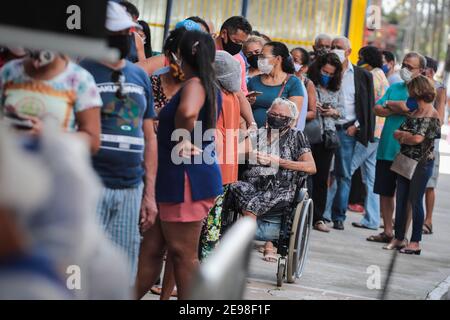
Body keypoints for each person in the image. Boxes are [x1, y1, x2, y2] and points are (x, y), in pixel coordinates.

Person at [136, 30, 223, 300]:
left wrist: (182, 137)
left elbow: (187, 112)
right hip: (173, 177)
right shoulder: (204, 84)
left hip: (185, 179)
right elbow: (179, 112)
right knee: (151, 250)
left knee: (183, 255)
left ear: (181, 55)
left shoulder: (195, 84)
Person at [79, 1, 158, 285]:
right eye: (120, 32)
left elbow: (149, 138)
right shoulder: (82, 72)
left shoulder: (139, 76)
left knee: (122, 269)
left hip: (130, 188)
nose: (127, 37)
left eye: (129, 31)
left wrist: (148, 194)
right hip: (91, 183)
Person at [226, 98, 316, 261]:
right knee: (235, 188)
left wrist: (278, 161)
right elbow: (234, 153)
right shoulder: (259, 134)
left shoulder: (296, 137)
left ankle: (244, 253)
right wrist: (251, 154)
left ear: (291, 121)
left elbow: (311, 167)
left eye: (281, 116)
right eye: (273, 114)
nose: (276, 117)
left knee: (252, 202)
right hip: (251, 186)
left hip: (281, 189)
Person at [136, 26, 187, 300]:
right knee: (149, 242)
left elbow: (199, 135)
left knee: (177, 247)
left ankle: (167, 296)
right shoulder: (151, 82)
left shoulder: (198, 88)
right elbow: (141, 120)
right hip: (147, 163)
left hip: (179, 171)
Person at [368, 52, 426, 244]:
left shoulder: (423, 92)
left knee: (406, 195)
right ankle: (388, 231)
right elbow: (377, 108)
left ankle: (401, 235)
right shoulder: (395, 87)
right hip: (387, 147)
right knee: (385, 191)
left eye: (410, 67)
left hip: (408, 151)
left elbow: (413, 109)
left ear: (421, 70)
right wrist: (397, 106)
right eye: (404, 65)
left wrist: (392, 106)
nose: (405, 70)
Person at [0, 51, 102, 153]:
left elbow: (93, 142)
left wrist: (49, 134)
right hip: (10, 163)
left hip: (53, 165)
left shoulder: (80, 79)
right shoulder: (9, 71)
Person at [387, 75, 441, 255]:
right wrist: (406, 136)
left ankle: (415, 241)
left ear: (417, 90)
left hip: (421, 164)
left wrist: (405, 136)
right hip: (405, 161)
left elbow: (418, 139)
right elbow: (397, 132)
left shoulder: (432, 114)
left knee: (415, 201)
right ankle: (399, 237)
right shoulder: (414, 112)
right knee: (401, 199)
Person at [199, 50, 242, 261]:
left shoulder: (215, 95)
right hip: (227, 169)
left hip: (212, 166)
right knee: (214, 220)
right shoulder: (233, 96)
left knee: (203, 221)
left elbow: (213, 134)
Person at [328, 36, 375, 231]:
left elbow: (367, 105)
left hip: (346, 130)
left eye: (339, 47)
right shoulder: (325, 70)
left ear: (348, 51)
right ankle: (319, 214)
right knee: (322, 173)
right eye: (333, 47)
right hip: (326, 127)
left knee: (344, 175)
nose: (335, 50)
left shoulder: (362, 75)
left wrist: (356, 125)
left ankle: (339, 216)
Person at [348, 46, 389, 231]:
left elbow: (367, 106)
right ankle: (372, 219)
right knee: (371, 179)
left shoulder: (373, 76)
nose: (358, 59)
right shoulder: (380, 74)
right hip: (379, 133)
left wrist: (356, 126)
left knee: (346, 169)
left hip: (371, 131)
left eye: (360, 56)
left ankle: (326, 213)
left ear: (368, 58)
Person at [306, 52, 344, 233]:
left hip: (327, 136)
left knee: (322, 178)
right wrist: (314, 107)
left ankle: (318, 217)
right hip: (308, 133)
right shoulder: (307, 82)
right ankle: (302, 214)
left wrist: (332, 112)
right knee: (305, 176)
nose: (327, 76)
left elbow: (343, 112)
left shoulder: (337, 88)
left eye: (331, 73)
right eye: (324, 71)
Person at [247, 42, 304, 128]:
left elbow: (293, 117)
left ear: (278, 59)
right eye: (260, 56)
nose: (259, 59)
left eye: (263, 56)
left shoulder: (293, 82)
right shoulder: (254, 80)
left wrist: (275, 137)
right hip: (252, 133)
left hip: (276, 136)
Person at [214, 16, 257, 132]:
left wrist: (251, 123)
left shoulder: (238, 59)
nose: (238, 46)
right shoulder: (206, 53)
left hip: (231, 119)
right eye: (236, 41)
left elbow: (240, 92)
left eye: (242, 43)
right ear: (224, 33)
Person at [423, 56, 447, 235]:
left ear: (429, 71)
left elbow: (439, 118)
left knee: (429, 184)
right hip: (411, 140)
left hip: (431, 143)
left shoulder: (439, 89)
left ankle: (428, 220)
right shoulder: (415, 86)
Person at [291, 47, 317, 130]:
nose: (290, 61)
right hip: (271, 128)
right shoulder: (279, 77)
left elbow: (312, 113)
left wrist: (294, 115)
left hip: (294, 129)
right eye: (289, 57)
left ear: (304, 67)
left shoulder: (307, 83)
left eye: (295, 60)